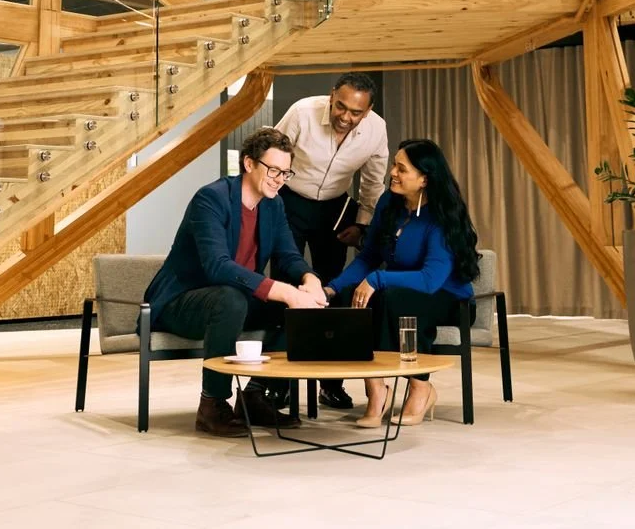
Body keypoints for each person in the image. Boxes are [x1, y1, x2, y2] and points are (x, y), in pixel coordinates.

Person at [144, 128, 329, 437]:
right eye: (272, 170)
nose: (279, 179)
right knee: (231, 299)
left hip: (236, 299)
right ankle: (212, 404)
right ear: (248, 164)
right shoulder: (211, 198)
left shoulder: (274, 204)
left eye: (285, 172)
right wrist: (282, 290)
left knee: (302, 309)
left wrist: (309, 280)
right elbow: (217, 266)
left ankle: (255, 394)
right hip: (182, 302)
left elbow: (287, 254)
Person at [325, 138, 480, 428]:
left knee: (396, 300)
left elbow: (431, 280)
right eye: (394, 165)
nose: (392, 172)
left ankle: (421, 389)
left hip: (448, 298)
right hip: (398, 290)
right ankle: (376, 389)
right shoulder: (388, 203)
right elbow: (369, 256)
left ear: (424, 179)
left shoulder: (443, 216)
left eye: (401, 168)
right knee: (350, 297)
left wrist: (378, 279)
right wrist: (332, 287)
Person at [273, 72, 388, 410]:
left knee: (332, 289)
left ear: (367, 112)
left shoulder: (376, 129)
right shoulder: (302, 112)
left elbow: (372, 181)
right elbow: (271, 154)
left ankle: (331, 382)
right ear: (332, 95)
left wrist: (363, 224)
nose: (345, 117)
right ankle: (282, 383)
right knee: (288, 286)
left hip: (337, 208)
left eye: (356, 113)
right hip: (290, 200)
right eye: (340, 107)